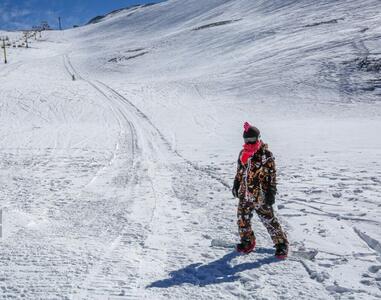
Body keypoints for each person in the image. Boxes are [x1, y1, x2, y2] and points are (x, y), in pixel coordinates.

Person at [232, 122, 289, 258]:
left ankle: (281, 244)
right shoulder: (243, 153)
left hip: (260, 195)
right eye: (246, 140)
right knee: (242, 219)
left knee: (268, 219)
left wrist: (271, 192)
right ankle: (247, 241)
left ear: (257, 138)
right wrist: (236, 183)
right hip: (244, 194)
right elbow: (240, 171)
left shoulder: (265, 155)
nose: (249, 142)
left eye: (252, 140)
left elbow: (271, 176)